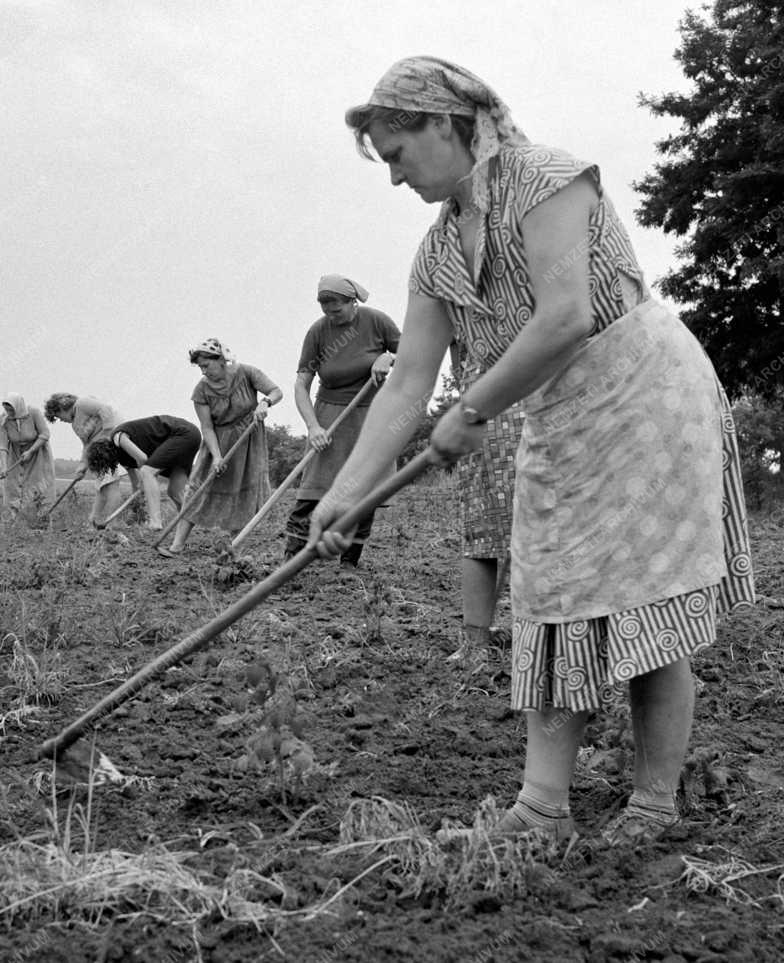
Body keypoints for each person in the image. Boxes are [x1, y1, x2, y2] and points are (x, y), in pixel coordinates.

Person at [311, 57, 755, 845]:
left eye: (398, 155)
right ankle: (543, 805)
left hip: (644, 391)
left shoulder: (548, 179)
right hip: (562, 412)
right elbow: (408, 381)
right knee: (553, 594)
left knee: (642, 594)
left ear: (443, 125)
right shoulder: (440, 250)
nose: (393, 178)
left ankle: (652, 802)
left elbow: (566, 318)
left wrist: (473, 406)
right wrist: (343, 495)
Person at [283, 275, 401, 569]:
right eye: (326, 310)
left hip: (372, 414)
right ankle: (291, 561)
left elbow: (412, 352)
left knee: (365, 489)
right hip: (329, 414)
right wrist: (313, 427)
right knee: (314, 489)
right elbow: (301, 385)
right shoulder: (318, 332)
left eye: (337, 310)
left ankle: (350, 562)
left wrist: (388, 357)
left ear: (353, 303)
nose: (331, 316)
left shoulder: (377, 322)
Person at [160, 339, 283, 556]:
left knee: (243, 491)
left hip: (248, 441)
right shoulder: (201, 390)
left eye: (206, 366)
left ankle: (236, 549)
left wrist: (265, 403)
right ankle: (177, 545)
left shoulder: (247, 373)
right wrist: (217, 456)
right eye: (200, 367)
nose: (203, 372)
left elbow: (275, 391)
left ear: (220, 361)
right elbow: (207, 427)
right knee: (198, 490)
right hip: (217, 442)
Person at [447, 338, 525, 664]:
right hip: (480, 410)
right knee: (479, 528)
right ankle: (475, 642)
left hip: (536, 401)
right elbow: (455, 353)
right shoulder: (455, 298)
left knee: (541, 531)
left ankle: (539, 640)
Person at [85, 415, 201, 529]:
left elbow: (142, 459)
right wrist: (139, 494)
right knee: (174, 491)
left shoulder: (118, 437)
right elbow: (135, 481)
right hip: (190, 438)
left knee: (147, 472)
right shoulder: (122, 458)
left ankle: (155, 522)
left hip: (183, 434)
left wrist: (143, 480)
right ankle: (195, 521)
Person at [44, 393, 135, 527]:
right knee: (102, 485)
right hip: (100, 450)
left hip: (114, 443)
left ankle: (113, 522)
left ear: (62, 407)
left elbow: (106, 410)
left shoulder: (82, 403)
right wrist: (82, 465)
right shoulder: (75, 425)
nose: (61, 420)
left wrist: (105, 437)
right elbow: (87, 445)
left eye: (58, 416)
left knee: (111, 484)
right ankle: (94, 520)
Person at [0, 393, 55, 519]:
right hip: (16, 455)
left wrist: (31, 451)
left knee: (37, 484)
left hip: (37, 453)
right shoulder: (3, 420)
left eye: (11, 409)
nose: (9, 412)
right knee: (13, 485)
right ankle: (13, 519)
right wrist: (4, 467)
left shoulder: (33, 413)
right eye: (6, 409)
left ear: (18, 407)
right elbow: (2, 445)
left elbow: (45, 434)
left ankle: (40, 518)